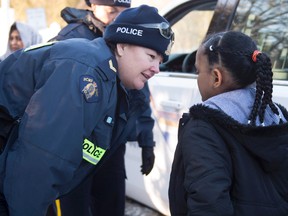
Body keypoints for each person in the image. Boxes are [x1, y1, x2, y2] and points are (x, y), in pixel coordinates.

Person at [0, 4, 174, 216]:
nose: (157, 68)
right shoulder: (84, 71)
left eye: (160, 60)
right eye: (151, 56)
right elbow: (41, 160)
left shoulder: (113, 78)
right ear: (122, 47)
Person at [48, 1, 157, 215]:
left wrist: (146, 140)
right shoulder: (71, 37)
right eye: (111, 11)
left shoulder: (131, 38)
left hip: (111, 146)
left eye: (123, 12)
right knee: (74, 208)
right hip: (75, 149)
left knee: (112, 206)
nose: (118, 18)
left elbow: (139, 94)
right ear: (93, 6)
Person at [168, 31, 288, 216]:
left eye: (198, 71)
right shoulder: (277, 116)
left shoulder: (203, 129)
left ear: (216, 77)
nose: (197, 77)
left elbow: (208, 205)